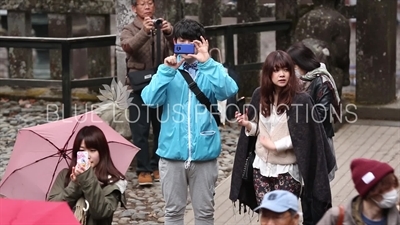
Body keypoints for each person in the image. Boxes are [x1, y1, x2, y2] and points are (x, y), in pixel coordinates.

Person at [141, 18, 238, 225]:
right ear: (174, 41)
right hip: (171, 153)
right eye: (181, 41)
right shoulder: (166, 71)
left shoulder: (211, 69)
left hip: (204, 154)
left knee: (204, 213)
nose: (186, 47)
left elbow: (228, 90)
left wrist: (207, 62)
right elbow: (149, 99)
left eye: (191, 42)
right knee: (173, 213)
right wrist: (167, 71)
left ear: (201, 43)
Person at [230, 50, 336, 225]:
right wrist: (247, 125)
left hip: (287, 169)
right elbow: (260, 131)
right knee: (267, 217)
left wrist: (276, 146)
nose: (282, 74)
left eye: (286, 70)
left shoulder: (301, 100)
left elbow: (304, 139)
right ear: (268, 73)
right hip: (261, 167)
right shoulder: (259, 95)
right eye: (276, 70)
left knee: (283, 218)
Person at [120, 0, 174, 186]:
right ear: (135, 8)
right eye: (143, 4)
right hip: (138, 87)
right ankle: (143, 170)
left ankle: (157, 165)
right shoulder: (130, 28)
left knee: (161, 127)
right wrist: (144, 31)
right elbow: (128, 47)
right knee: (140, 129)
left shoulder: (162, 27)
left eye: (150, 3)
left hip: (160, 85)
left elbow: (177, 50)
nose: (147, 7)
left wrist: (169, 33)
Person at [47, 125, 127, 225]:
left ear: (101, 153)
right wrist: (75, 185)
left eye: (92, 150)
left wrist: (86, 178)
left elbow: (101, 212)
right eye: (82, 150)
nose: (87, 156)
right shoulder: (65, 175)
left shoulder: (112, 181)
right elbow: (52, 209)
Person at [287, 42, 341, 182]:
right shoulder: (298, 80)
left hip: (318, 140)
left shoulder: (322, 81)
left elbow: (320, 116)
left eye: (293, 66)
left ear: (302, 63)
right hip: (301, 139)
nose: (290, 70)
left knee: (317, 189)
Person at [318, 158, 400, 225]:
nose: (393, 191)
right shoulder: (335, 217)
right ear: (370, 191)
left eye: (394, 185)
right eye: (387, 188)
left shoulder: (397, 217)